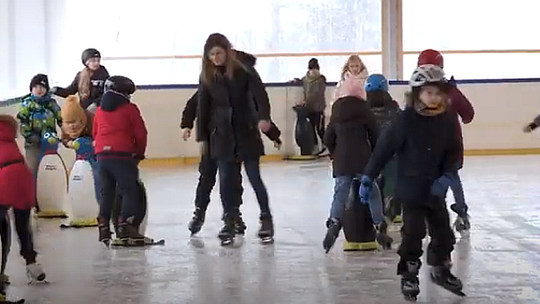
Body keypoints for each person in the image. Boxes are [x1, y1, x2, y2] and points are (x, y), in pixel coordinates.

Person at [359, 64, 464, 300]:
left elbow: (453, 151)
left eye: (438, 93)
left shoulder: (447, 120)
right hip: (411, 189)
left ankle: (440, 268)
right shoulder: (405, 121)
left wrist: (447, 175)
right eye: (429, 93)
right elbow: (383, 150)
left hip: (435, 188)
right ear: (417, 93)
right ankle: (409, 274)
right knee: (413, 234)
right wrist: (368, 176)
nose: (434, 98)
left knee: (444, 233)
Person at [182, 50, 282, 238]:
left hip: (234, 141)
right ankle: (200, 212)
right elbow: (195, 103)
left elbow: (256, 112)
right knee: (207, 178)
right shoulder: (214, 80)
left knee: (231, 180)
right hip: (214, 138)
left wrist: (273, 133)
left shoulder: (243, 82)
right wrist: (188, 125)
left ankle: (234, 215)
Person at [196, 33, 273, 245]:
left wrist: (264, 118)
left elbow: (260, 96)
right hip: (221, 135)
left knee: (254, 177)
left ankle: (266, 218)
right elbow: (203, 107)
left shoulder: (244, 71)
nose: (215, 58)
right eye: (211, 54)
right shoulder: (207, 77)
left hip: (245, 131)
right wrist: (203, 137)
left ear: (227, 51)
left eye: (219, 53)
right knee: (226, 181)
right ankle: (229, 221)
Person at [322, 86, 389, 253]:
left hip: (342, 160)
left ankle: (334, 221)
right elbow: (375, 135)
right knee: (372, 191)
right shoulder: (365, 110)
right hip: (362, 159)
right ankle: (378, 224)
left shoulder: (337, 113)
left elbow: (327, 138)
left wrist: (334, 154)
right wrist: (375, 157)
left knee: (340, 194)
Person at [417, 49, 474, 233]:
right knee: (450, 175)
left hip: (437, 147)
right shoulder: (450, 92)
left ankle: (440, 209)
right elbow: (468, 115)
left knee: (445, 176)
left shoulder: (420, 92)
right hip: (443, 146)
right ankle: (455, 211)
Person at [93, 76, 148, 245]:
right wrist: (138, 153)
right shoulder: (130, 108)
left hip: (102, 155)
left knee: (106, 191)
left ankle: (103, 227)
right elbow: (141, 133)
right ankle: (126, 226)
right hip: (122, 155)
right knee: (128, 189)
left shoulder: (100, 109)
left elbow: (95, 133)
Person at [0, 114, 46, 285]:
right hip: (23, 179)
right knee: (23, 225)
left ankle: (1, 271)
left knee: (3, 228)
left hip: (4, 180)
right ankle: (32, 264)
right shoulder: (10, 139)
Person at [365, 74, 402, 222]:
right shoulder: (393, 107)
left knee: (375, 179)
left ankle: (378, 209)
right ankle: (396, 210)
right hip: (392, 151)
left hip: (373, 152)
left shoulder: (365, 109)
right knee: (393, 179)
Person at [17, 74, 62, 179]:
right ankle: (32, 193)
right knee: (32, 169)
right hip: (33, 142)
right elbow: (22, 121)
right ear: (31, 89)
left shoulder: (51, 103)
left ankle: (51, 190)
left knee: (50, 168)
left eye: (42, 87)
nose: (39, 90)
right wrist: (29, 135)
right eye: (36, 87)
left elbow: (61, 118)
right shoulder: (27, 104)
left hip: (49, 140)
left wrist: (66, 132)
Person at [60, 95, 100, 202]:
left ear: (82, 119)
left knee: (96, 173)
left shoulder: (92, 120)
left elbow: (99, 136)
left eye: (74, 122)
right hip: (80, 155)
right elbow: (64, 139)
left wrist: (94, 143)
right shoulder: (64, 125)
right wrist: (69, 143)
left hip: (95, 152)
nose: (72, 126)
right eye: (68, 123)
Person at [51, 48, 110, 113]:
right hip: (84, 111)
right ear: (87, 62)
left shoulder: (104, 75)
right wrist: (56, 90)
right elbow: (70, 91)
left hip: (99, 111)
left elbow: (106, 93)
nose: (96, 63)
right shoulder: (81, 76)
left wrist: (96, 103)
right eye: (93, 61)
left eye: (98, 60)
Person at [292, 58, 327, 155]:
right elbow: (302, 84)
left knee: (320, 129)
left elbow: (317, 93)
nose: (315, 72)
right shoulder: (305, 79)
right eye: (313, 69)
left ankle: (326, 146)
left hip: (318, 109)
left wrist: (305, 101)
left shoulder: (321, 80)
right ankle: (315, 147)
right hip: (309, 109)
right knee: (311, 129)